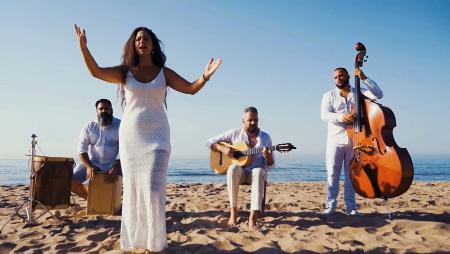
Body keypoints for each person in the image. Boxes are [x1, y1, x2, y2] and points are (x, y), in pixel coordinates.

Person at [74, 24, 221, 253]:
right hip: (131, 139)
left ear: (153, 45)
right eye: (138, 38)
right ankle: (137, 243)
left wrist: (205, 76)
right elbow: (96, 71)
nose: (142, 41)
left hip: (158, 139)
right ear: (134, 44)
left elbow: (191, 88)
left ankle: (154, 244)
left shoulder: (164, 73)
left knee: (153, 188)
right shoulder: (125, 72)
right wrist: (83, 47)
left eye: (146, 38)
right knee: (133, 191)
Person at [320, 67, 383, 215]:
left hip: (355, 140)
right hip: (335, 141)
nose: (338, 79)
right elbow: (324, 115)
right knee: (332, 174)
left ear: (348, 76)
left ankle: (351, 207)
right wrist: (341, 117)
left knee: (351, 176)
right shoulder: (328, 95)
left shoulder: (358, 93)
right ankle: (330, 206)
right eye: (335, 77)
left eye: (340, 76)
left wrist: (364, 78)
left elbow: (379, 95)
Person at [206, 107, 275, 229]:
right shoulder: (234, 134)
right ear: (243, 120)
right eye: (250, 120)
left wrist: (268, 156)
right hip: (241, 173)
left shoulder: (265, 137)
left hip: (256, 175)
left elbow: (271, 164)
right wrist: (223, 149)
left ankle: (253, 216)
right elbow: (209, 142)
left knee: (259, 171)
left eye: (256, 120)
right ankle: (233, 212)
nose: (253, 122)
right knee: (232, 169)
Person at [71, 98, 121, 200]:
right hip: (92, 163)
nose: (104, 111)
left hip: (114, 164)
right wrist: (89, 166)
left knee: (134, 178)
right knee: (69, 180)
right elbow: (81, 149)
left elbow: (125, 149)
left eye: (107, 108)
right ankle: (93, 198)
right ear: (96, 111)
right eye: (101, 108)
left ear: (111, 110)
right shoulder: (89, 126)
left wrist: (115, 167)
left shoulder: (120, 125)